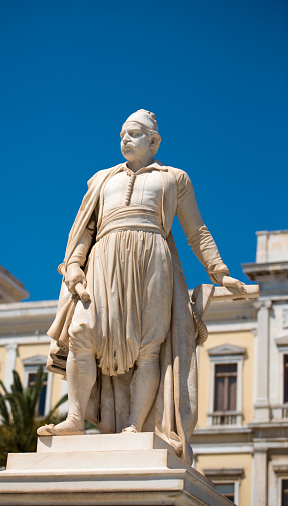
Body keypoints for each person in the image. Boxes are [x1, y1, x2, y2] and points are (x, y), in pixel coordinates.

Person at [37, 110, 245, 464]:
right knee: (82, 332)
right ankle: (75, 418)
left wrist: (219, 272)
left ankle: (136, 424)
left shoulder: (174, 178)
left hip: (153, 260)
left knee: (150, 346)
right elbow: (85, 229)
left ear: (154, 140)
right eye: (121, 134)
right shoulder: (101, 179)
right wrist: (73, 265)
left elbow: (197, 231)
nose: (124, 139)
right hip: (104, 259)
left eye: (133, 133)